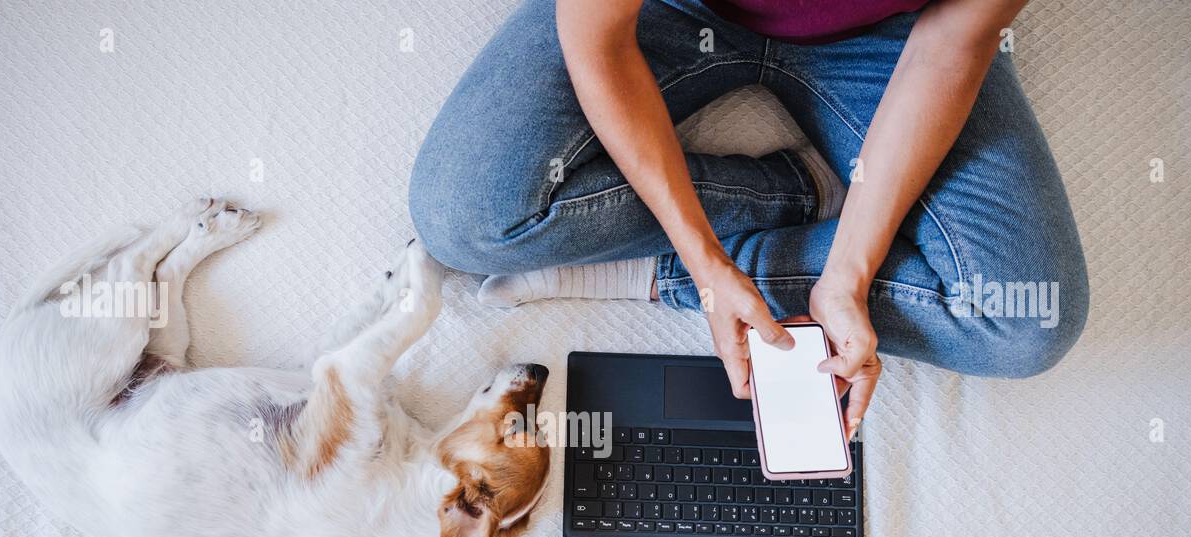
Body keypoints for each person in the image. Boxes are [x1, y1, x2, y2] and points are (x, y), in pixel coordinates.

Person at [409, 0, 1087, 436]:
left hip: (898, 37)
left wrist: (848, 276)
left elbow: (950, 46)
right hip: (670, 11)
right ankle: (798, 191)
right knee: (466, 220)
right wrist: (706, 261)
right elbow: (602, 43)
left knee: (1026, 325)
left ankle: (651, 272)